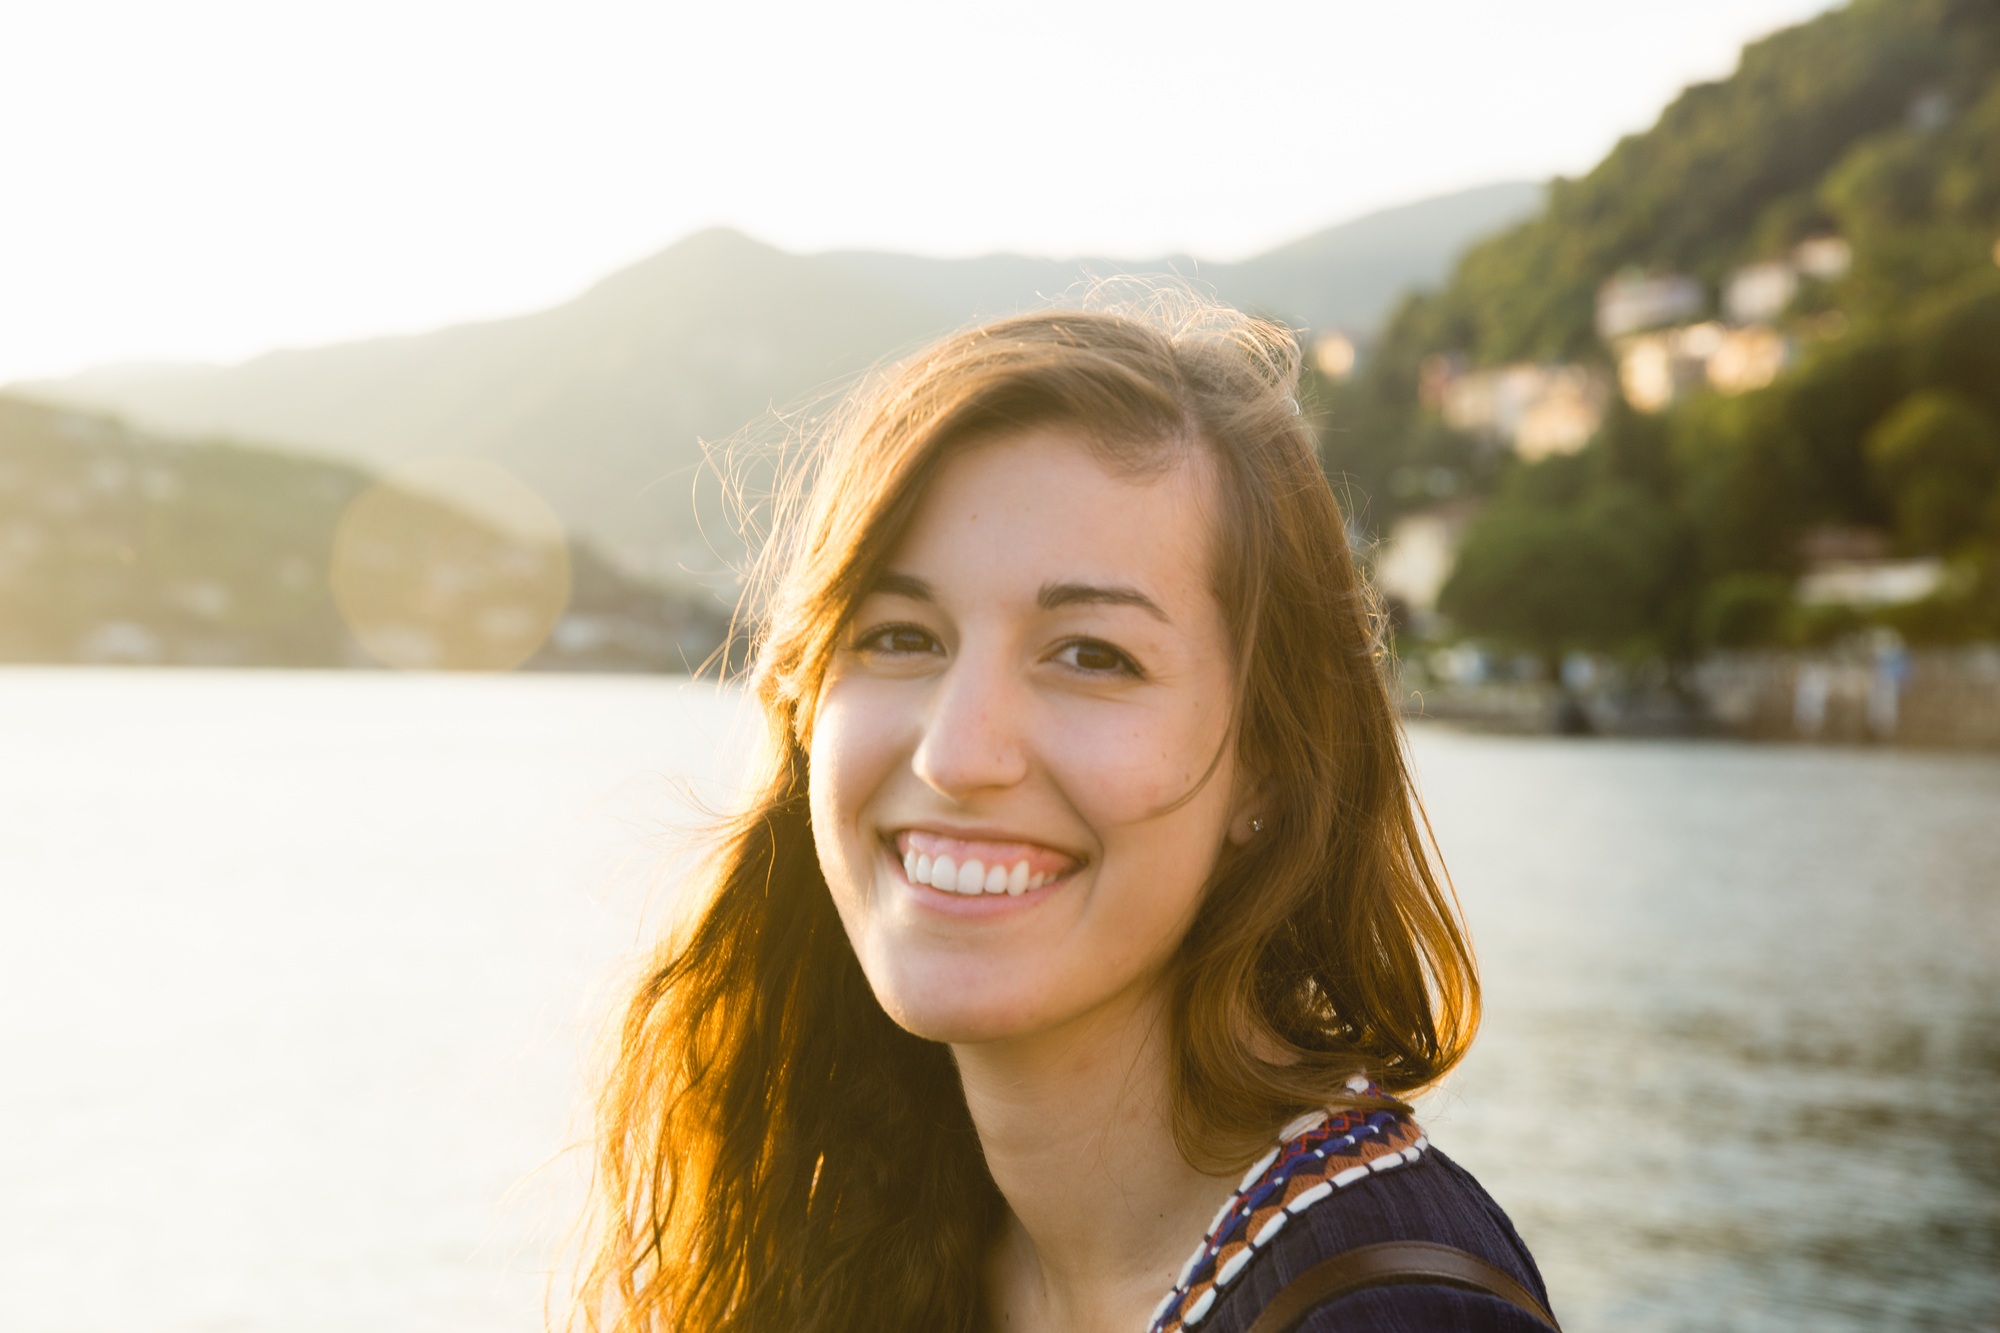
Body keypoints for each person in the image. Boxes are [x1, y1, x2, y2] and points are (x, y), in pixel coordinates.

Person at [575, 292, 1555, 1332]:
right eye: (899, 635)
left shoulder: (1388, 1318)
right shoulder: (878, 1210)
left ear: (1268, 763)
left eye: (1091, 655)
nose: (957, 754)